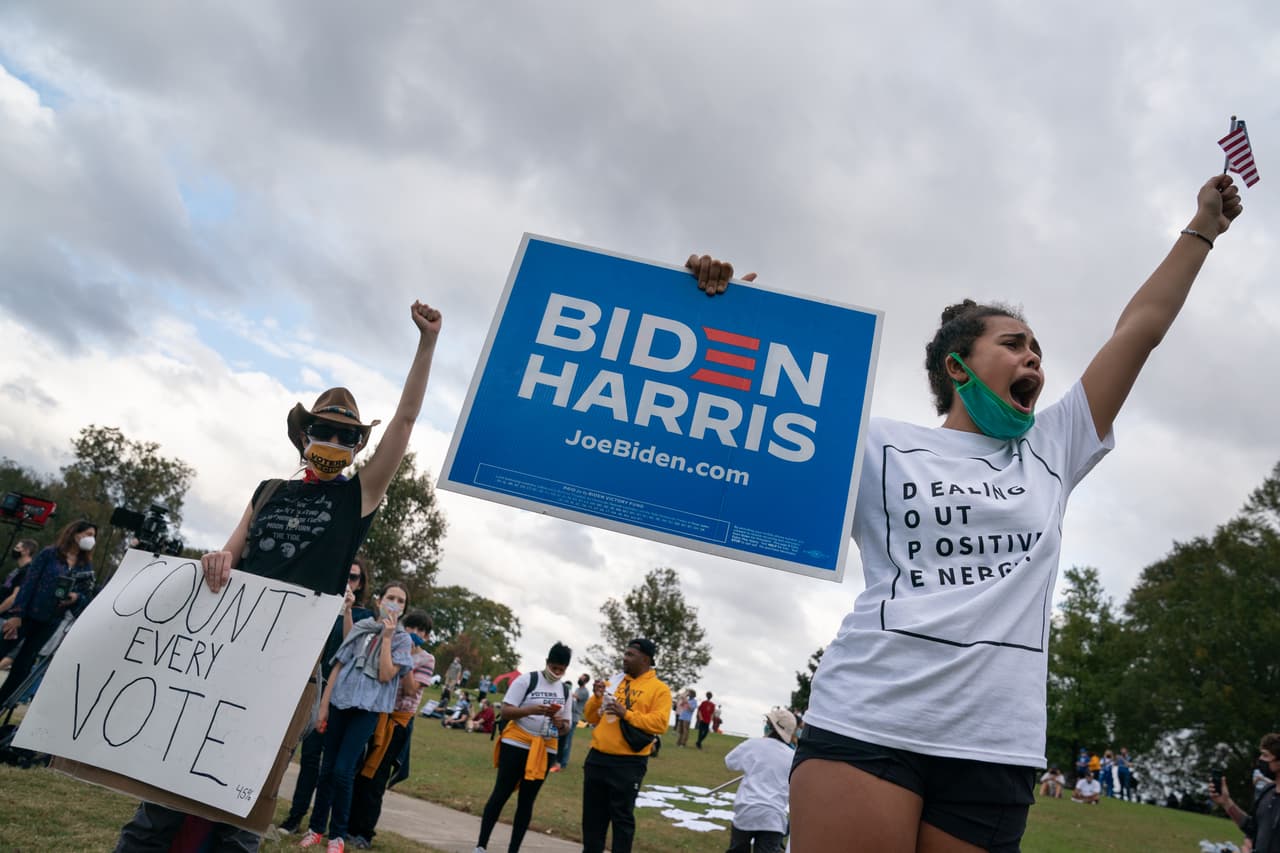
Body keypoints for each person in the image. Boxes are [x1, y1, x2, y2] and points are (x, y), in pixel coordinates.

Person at [691, 174, 1245, 853]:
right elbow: (739, 425)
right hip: (869, 718)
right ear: (957, 367)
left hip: (995, 745)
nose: (1032, 356)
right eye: (1013, 343)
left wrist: (1203, 229)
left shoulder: (1054, 445)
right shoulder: (873, 440)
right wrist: (716, 310)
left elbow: (1141, 329)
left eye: (1037, 349)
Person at [114, 300, 442, 853]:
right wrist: (215, 562)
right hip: (218, 656)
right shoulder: (268, 491)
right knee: (165, 795)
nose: (334, 445)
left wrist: (427, 344)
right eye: (324, 432)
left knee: (243, 805)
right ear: (304, 434)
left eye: (347, 437)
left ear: (358, 445)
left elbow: (405, 423)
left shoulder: (357, 498)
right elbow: (226, 557)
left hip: (285, 670)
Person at [299, 582, 415, 850]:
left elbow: (387, 674)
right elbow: (339, 665)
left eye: (400, 601)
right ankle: (316, 828)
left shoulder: (401, 639)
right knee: (326, 769)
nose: (394, 603)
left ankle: (337, 834)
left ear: (404, 608)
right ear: (379, 600)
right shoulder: (362, 629)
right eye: (390, 597)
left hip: (367, 710)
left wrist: (386, 638)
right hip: (340, 703)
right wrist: (324, 706)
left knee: (343, 771)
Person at [280, 558, 376, 835]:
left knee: (328, 763)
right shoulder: (319, 604)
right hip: (305, 684)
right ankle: (295, 817)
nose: (349, 581)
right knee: (306, 756)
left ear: (361, 584)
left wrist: (346, 609)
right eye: (345, 575)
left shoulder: (362, 616)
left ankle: (319, 825)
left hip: (336, 695)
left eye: (355, 578)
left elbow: (352, 647)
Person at [347, 608, 434, 849]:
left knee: (376, 777)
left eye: (421, 631)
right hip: (375, 714)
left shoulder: (426, 660)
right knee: (358, 772)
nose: (415, 633)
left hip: (397, 723)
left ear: (427, 637)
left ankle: (364, 833)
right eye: (411, 627)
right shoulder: (391, 646)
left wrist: (405, 658)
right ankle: (346, 825)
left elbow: (410, 689)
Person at [474, 642, 574, 853]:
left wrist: (560, 724)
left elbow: (567, 726)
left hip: (545, 748)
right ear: (547, 663)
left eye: (561, 670)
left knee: (527, 800)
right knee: (501, 792)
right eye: (554, 667)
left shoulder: (564, 690)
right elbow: (508, 711)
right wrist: (531, 710)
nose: (556, 673)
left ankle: (514, 849)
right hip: (517, 742)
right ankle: (481, 845)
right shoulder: (528, 680)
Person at [581, 638, 671, 853]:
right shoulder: (617, 681)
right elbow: (591, 716)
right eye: (625, 653)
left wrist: (627, 714)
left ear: (645, 659)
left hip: (628, 763)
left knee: (622, 821)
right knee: (592, 821)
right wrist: (597, 696)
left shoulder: (659, 690)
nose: (625, 658)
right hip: (598, 758)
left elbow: (660, 723)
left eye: (631, 655)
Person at [0, 521, 96, 708]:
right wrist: (17, 614)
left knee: (24, 665)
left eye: (93, 536)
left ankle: (3, 702)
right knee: (2, 647)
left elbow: (87, 593)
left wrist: (75, 597)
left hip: (51, 620)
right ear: (75, 533)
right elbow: (29, 583)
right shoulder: (50, 554)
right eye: (87, 533)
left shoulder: (85, 566)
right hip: (27, 614)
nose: (90, 539)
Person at [723, 708, 798, 853]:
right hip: (773, 818)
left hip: (747, 811)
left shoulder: (754, 745)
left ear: (770, 726)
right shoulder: (792, 757)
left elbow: (730, 762)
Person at [1211, 734, 1280, 853]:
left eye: (1265, 755)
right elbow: (1251, 827)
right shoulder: (1267, 791)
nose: (1260, 759)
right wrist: (1226, 802)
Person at [0, 537, 38, 669]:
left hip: (6, 617)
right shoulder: (18, 570)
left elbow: (15, 596)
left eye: (18, 547)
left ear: (26, 551)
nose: (15, 550)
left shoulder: (27, 570)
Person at [555, 672, 592, 771]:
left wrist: (566, 690)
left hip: (574, 717)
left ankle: (563, 762)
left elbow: (574, 698)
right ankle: (559, 760)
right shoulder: (578, 689)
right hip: (569, 716)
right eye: (580, 677)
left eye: (582, 678)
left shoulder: (584, 692)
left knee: (567, 740)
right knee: (563, 739)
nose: (580, 678)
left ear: (586, 681)